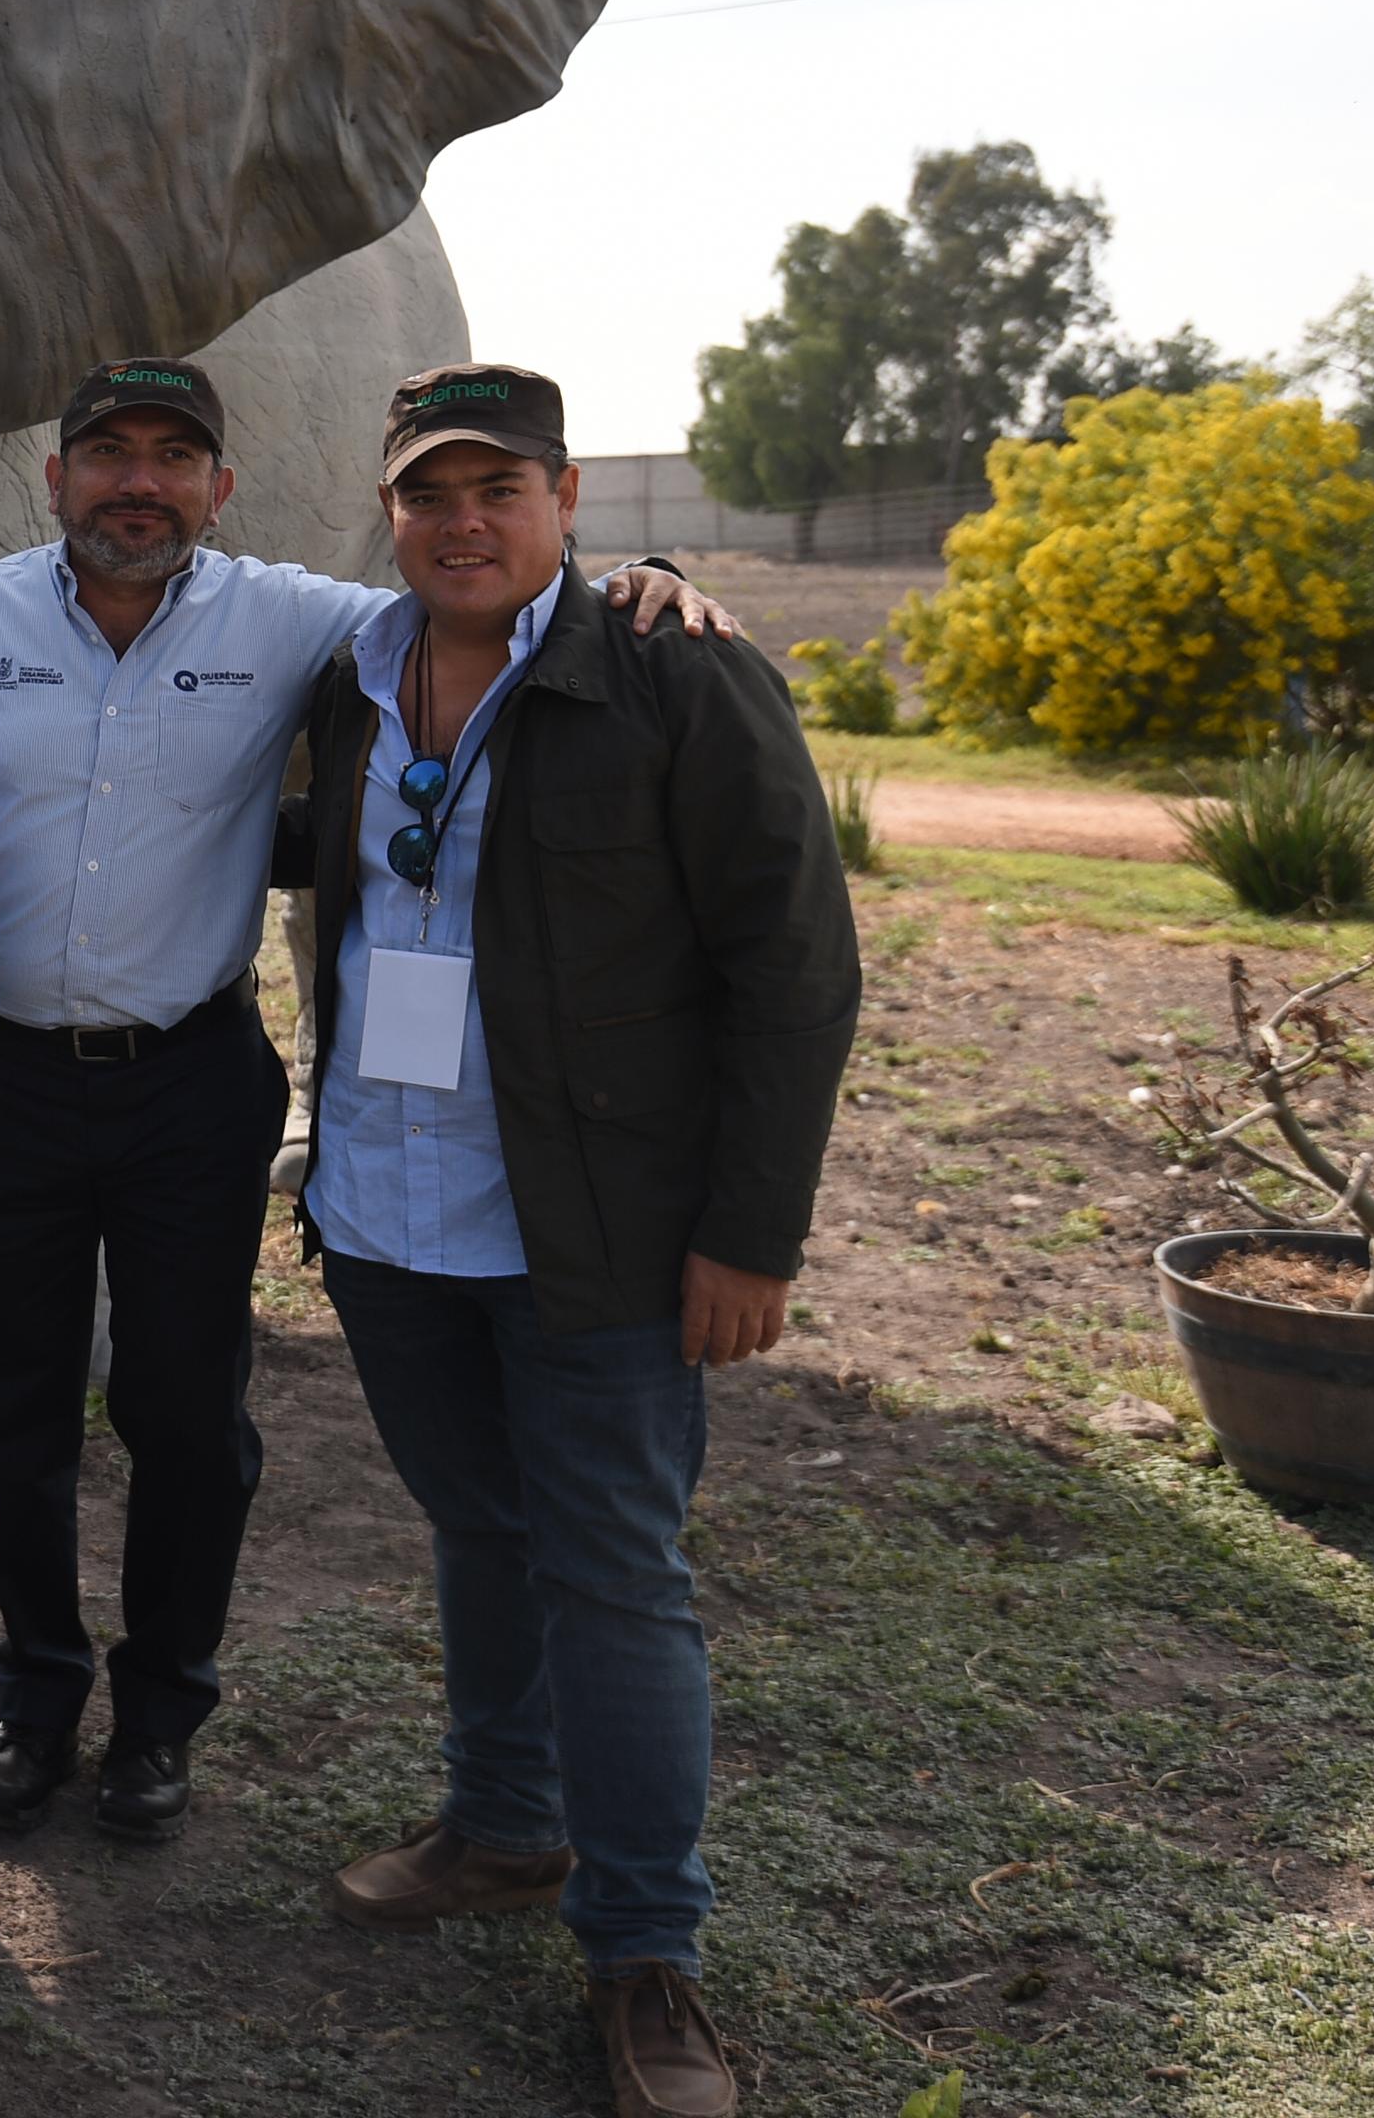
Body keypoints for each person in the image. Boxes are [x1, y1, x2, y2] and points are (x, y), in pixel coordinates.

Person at [0, 356, 729, 1848]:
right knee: (14, 1409)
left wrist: (645, 575)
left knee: (189, 1415)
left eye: (174, 457)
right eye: (106, 453)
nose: (138, 482)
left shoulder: (301, 621)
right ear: (53, 482)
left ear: (218, 490)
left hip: (189, 1080)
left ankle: (162, 1713)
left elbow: (472, 595)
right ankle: (35, 1700)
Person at [293, 364, 854, 2118]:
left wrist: (750, 1234)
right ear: (389, 512)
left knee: (615, 1577)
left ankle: (646, 1957)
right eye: (429, 493)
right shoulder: (346, 681)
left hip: (598, 1231)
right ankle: (505, 1824)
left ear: (565, 503)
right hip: (390, 1208)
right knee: (478, 1522)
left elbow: (795, 968)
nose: (464, 521)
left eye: (499, 489)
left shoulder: (679, 668)